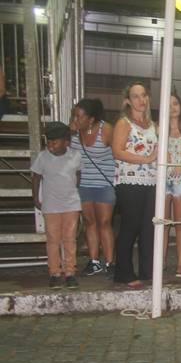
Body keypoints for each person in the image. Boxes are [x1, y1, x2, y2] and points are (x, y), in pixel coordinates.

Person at [111, 81, 158, 289]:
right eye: (136, 96)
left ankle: (148, 271)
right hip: (129, 181)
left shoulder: (152, 125)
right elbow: (117, 151)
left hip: (151, 181)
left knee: (149, 228)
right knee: (130, 226)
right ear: (128, 101)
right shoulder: (124, 123)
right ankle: (124, 272)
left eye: (144, 95)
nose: (141, 100)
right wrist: (145, 159)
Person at [31, 122, 82, 289]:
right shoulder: (43, 157)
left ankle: (70, 272)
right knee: (53, 240)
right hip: (51, 205)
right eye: (49, 141)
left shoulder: (75, 156)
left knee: (70, 239)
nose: (50, 144)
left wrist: (73, 191)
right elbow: (36, 177)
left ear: (66, 142)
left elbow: (78, 174)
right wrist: (36, 198)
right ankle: (54, 272)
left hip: (71, 205)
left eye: (55, 141)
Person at [69, 98, 115, 276]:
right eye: (74, 115)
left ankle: (110, 262)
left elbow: (119, 152)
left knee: (105, 222)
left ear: (91, 119)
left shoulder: (106, 130)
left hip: (104, 184)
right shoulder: (73, 133)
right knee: (89, 222)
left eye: (79, 116)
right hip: (84, 184)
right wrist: (69, 132)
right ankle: (94, 261)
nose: (75, 119)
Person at [164, 93, 181, 278]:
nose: (172, 107)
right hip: (163, 181)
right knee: (163, 224)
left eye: (175, 103)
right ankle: (161, 260)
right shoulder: (158, 129)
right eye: (169, 104)